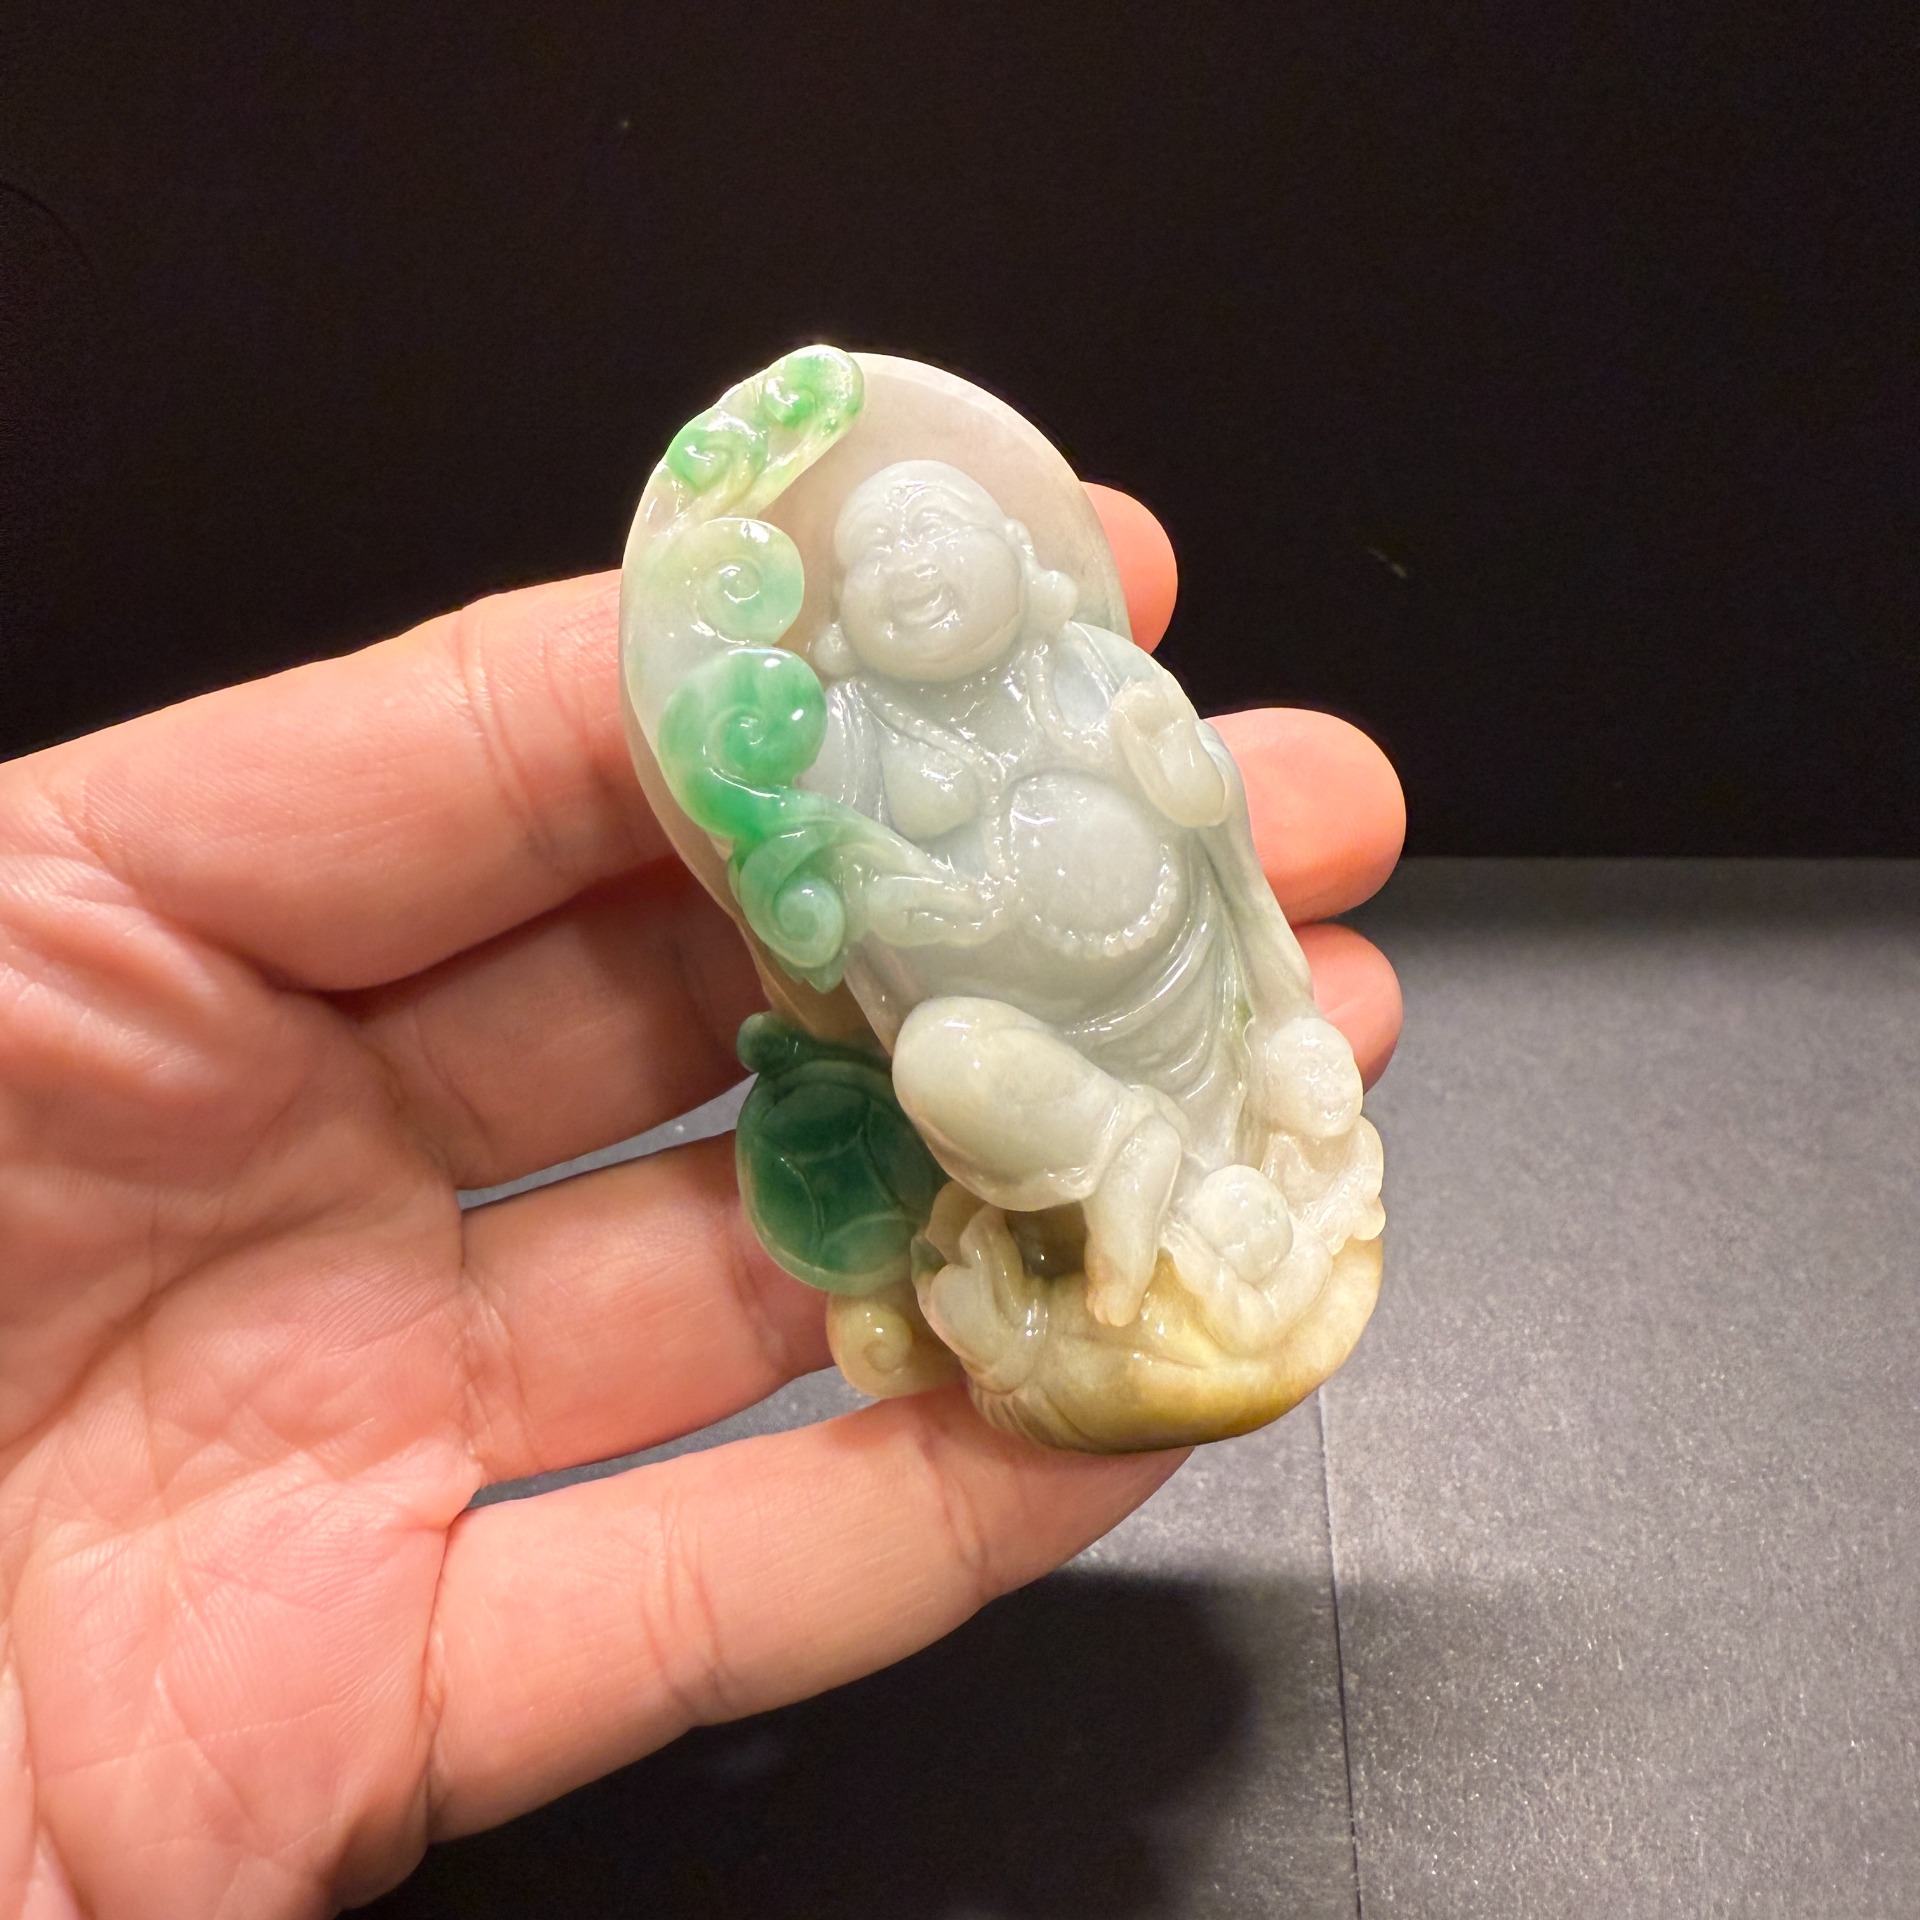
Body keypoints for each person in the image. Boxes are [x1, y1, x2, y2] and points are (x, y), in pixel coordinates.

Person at [0, 485, 1403, 1917]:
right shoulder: (854, 735)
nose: (909, 571)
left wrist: (1238, 911)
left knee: (1222, 1089)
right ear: (844, 623)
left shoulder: (1090, 674)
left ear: (1017, 559)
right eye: (874, 557)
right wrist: (867, 881)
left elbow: (1218, 849)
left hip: (1185, 1008)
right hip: (1042, 1072)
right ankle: (1118, 1164)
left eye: (937, 537)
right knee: (944, 1057)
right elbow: (832, 936)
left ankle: (1179, 1178)